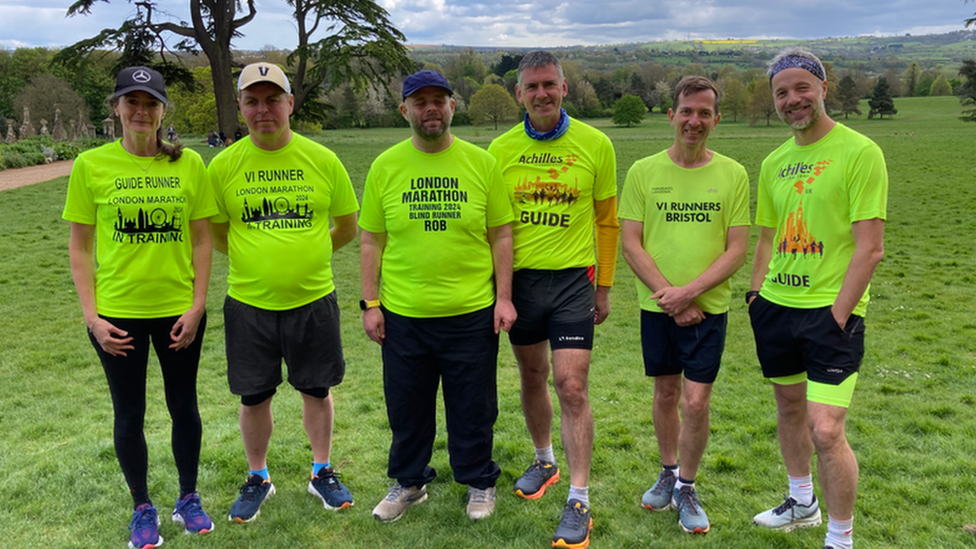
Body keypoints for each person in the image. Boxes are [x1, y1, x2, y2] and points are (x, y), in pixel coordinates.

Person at [64, 65, 218, 549]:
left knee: (183, 406)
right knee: (129, 414)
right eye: (131, 102)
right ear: (116, 108)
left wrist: (197, 306)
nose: (141, 111)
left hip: (178, 311)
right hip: (117, 316)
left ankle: (188, 497)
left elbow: (201, 240)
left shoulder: (188, 164)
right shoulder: (91, 166)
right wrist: (93, 318)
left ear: (162, 110)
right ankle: (142, 507)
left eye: (150, 103)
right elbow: (81, 248)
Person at [360, 70, 516, 523]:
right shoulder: (386, 165)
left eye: (439, 100)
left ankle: (479, 482)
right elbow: (371, 241)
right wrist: (371, 303)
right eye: (420, 101)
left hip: (470, 311)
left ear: (453, 106)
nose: (430, 108)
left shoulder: (481, 163)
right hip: (404, 313)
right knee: (407, 406)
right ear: (404, 109)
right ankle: (409, 483)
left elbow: (501, 235)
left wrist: (503, 298)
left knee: (474, 405)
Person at [208, 62, 360, 523]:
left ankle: (321, 471)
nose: (263, 109)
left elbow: (347, 227)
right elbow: (218, 234)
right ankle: (258, 477)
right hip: (249, 304)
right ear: (240, 108)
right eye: (252, 101)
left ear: (290, 103)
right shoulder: (223, 166)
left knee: (316, 389)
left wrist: (307, 253)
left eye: (273, 99)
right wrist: (260, 261)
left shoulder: (322, 159)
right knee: (254, 396)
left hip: (313, 299)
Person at [749, 48, 887, 549]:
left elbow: (870, 248)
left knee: (826, 429)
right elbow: (766, 236)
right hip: (776, 308)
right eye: (781, 92)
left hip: (833, 312)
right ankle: (801, 502)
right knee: (788, 409)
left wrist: (838, 315)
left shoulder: (859, 151)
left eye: (801, 88)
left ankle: (840, 538)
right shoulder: (773, 162)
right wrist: (755, 294)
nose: (792, 100)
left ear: (823, 89)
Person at [487, 50, 618, 549]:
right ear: (518, 94)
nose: (541, 94)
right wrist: (498, 292)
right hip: (520, 284)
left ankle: (579, 499)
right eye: (531, 87)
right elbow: (493, 228)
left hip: (571, 284)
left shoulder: (596, 144)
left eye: (550, 84)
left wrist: (603, 286)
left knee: (572, 385)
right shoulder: (498, 150)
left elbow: (607, 221)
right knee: (532, 375)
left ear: (565, 88)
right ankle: (545, 461)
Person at [619, 76, 750, 535]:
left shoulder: (732, 174)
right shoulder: (642, 172)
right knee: (666, 394)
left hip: (707, 311)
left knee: (696, 401)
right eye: (686, 112)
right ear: (671, 115)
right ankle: (668, 471)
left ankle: (688, 488)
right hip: (658, 308)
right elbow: (631, 245)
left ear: (716, 119)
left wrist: (689, 294)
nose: (694, 121)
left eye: (704, 113)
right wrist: (671, 300)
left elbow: (736, 250)